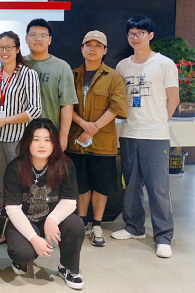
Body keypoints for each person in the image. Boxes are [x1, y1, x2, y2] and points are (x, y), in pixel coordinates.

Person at [112, 16, 179, 258]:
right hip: (129, 133)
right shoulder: (122, 66)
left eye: (140, 33)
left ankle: (163, 236)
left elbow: (174, 99)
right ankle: (134, 227)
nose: (135, 37)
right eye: (131, 33)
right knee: (130, 185)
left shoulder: (164, 64)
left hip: (155, 136)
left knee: (158, 188)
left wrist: (160, 120)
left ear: (150, 35)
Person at [3, 118, 84, 290]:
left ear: (54, 143)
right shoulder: (15, 168)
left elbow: (70, 201)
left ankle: (68, 268)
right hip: (26, 219)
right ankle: (21, 261)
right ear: (28, 142)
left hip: (52, 220)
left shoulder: (65, 164)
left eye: (47, 140)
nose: (42, 145)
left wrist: (52, 219)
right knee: (22, 252)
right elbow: (13, 209)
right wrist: (34, 239)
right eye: (36, 139)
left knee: (76, 224)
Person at [66, 31, 127, 247]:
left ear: (105, 50)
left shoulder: (114, 77)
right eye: (88, 44)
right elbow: (65, 106)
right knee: (81, 184)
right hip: (76, 141)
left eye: (98, 45)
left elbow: (117, 107)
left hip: (103, 143)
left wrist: (93, 129)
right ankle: (82, 222)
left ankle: (97, 224)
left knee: (101, 186)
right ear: (82, 48)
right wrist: (83, 125)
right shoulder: (71, 75)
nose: (92, 49)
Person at [0, 31, 41, 204]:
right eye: (0, 47)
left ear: (17, 49)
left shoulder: (28, 74)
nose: (4, 51)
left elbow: (35, 110)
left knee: (20, 181)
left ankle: (22, 215)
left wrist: (5, 120)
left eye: (9, 47)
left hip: (17, 138)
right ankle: (2, 215)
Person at [24, 19, 78, 150]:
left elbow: (67, 104)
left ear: (50, 40)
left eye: (43, 35)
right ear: (26, 38)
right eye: (33, 35)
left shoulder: (61, 67)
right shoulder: (18, 64)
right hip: (20, 134)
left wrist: (63, 136)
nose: (38, 39)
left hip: (49, 134)